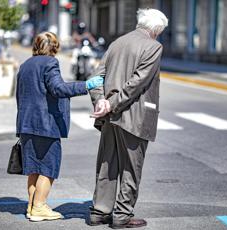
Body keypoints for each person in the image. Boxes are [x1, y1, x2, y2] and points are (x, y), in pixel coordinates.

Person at [87, 8, 168, 229]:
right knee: (131, 168)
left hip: (110, 116)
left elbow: (95, 77)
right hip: (135, 116)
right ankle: (122, 215)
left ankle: (99, 212)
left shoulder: (117, 43)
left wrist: (101, 101)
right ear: (157, 29)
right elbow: (136, 84)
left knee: (107, 164)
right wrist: (109, 104)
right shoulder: (153, 47)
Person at [16, 32, 104, 222]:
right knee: (49, 167)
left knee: (33, 168)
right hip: (45, 125)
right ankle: (39, 207)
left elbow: (20, 95)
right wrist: (86, 85)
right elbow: (58, 89)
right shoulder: (50, 63)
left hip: (26, 124)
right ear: (54, 47)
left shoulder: (25, 66)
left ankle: (32, 206)